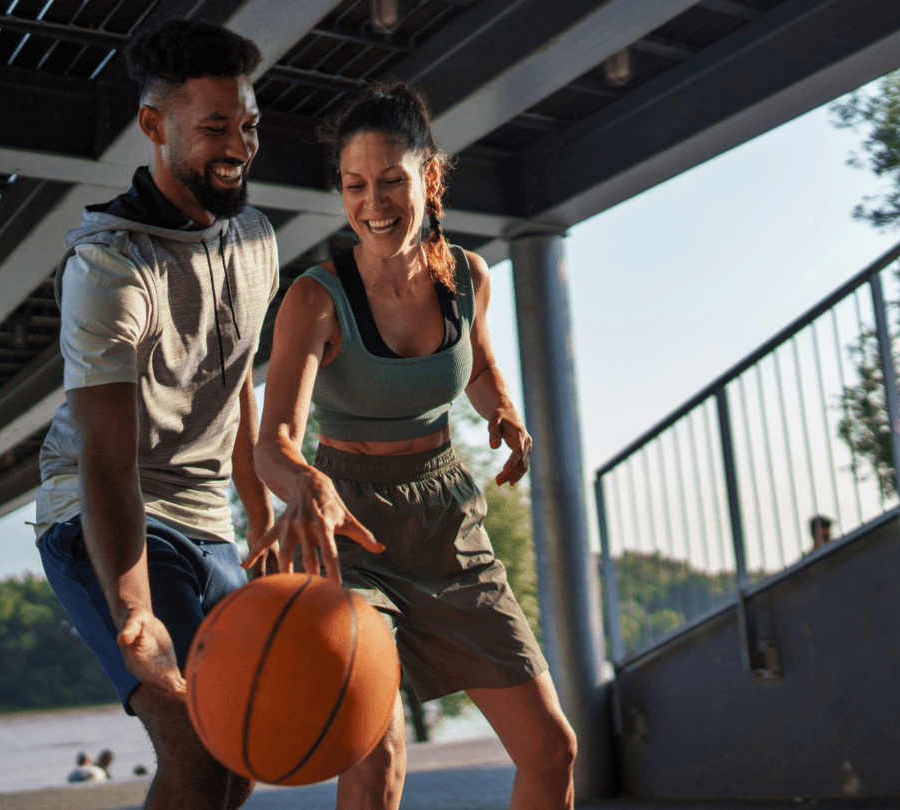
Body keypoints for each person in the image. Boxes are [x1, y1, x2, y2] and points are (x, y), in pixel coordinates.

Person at [247, 82, 577, 809]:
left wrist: (507, 416)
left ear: (429, 177)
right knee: (378, 754)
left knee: (551, 750)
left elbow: (479, 367)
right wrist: (304, 484)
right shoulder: (314, 299)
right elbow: (272, 442)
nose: (373, 203)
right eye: (354, 185)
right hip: (351, 530)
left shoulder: (468, 277)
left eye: (392, 181)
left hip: (448, 523)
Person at [33, 20, 278, 810]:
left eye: (247, 125)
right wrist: (137, 612)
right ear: (153, 125)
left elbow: (235, 375)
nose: (237, 144)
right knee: (195, 747)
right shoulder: (109, 266)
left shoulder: (256, 239)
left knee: (238, 762)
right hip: (101, 516)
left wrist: (257, 509)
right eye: (213, 127)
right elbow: (105, 460)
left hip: (207, 524)